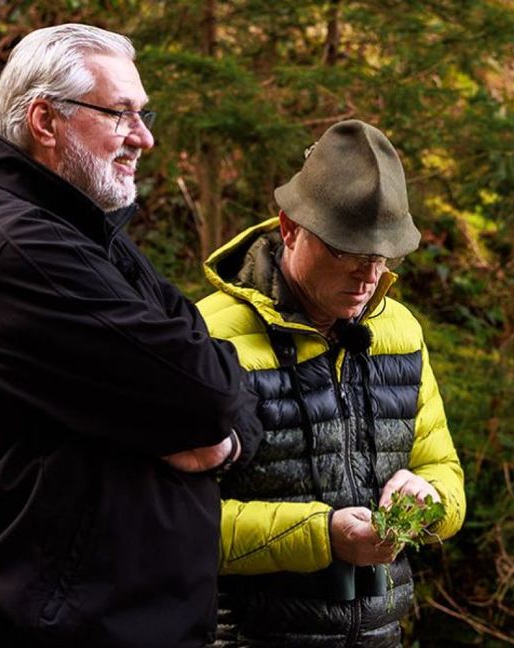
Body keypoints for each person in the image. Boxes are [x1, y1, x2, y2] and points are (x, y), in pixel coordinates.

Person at [0, 24, 260, 648]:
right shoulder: (23, 249)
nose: (143, 137)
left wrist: (220, 445)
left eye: (142, 114)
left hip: (107, 620)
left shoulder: (81, 233)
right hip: (53, 624)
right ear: (45, 121)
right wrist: (213, 420)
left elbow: (223, 385)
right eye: (120, 113)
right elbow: (209, 391)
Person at [195, 119, 466, 647]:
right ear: (290, 228)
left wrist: (429, 501)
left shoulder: (401, 332)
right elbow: (176, 522)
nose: (367, 275)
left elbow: (446, 475)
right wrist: (323, 536)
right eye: (345, 251)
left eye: (380, 255)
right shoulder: (211, 337)